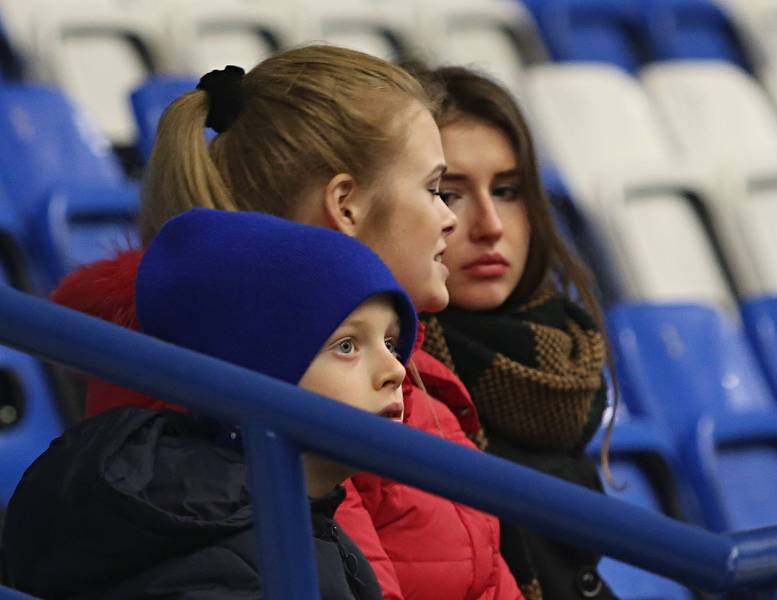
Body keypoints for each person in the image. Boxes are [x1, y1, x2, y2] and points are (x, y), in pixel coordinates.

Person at [49, 46, 524, 600]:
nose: (451, 219)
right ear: (346, 206)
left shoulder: (392, 373)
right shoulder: (285, 391)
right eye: (434, 190)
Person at [3, 207, 424, 599]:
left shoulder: (296, 524)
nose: (396, 370)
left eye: (390, 341)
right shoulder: (233, 567)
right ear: (255, 374)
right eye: (347, 345)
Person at [410, 65, 619, 600]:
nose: (490, 225)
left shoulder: (559, 359)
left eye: (506, 190)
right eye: (449, 194)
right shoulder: (394, 380)